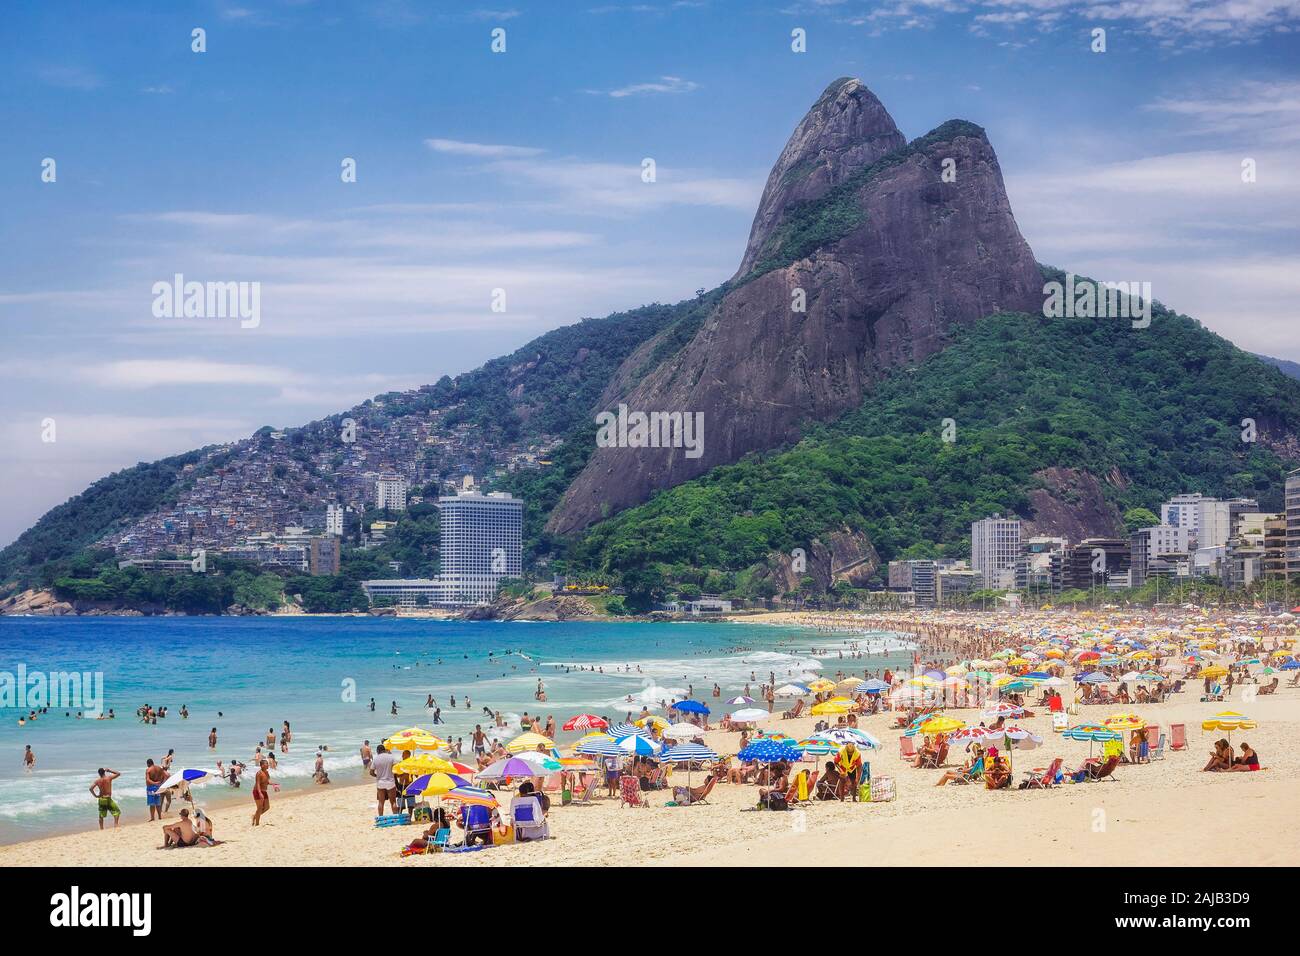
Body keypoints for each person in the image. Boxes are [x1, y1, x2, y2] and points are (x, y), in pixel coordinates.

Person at [371, 744, 397, 815]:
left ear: (377, 751)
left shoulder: (376, 759)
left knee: (381, 802)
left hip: (380, 782)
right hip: (390, 782)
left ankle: (381, 818)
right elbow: (396, 768)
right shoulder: (391, 757)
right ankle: (395, 816)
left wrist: (377, 776)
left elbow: (371, 772)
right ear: (384, 750)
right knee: (393, 802)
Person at [252, 759, 273, 825]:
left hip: (264, 791)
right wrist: (260, 793)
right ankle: (257, 824)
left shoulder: (267, 772)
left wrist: (274, 784)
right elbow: (258, 783)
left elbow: (266, 782)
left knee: (267, 807)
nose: (268, 765)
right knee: (260, 807)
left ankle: (255, 816)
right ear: (262, 765)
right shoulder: (259, 773)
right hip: (257, 791)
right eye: (266, 764)